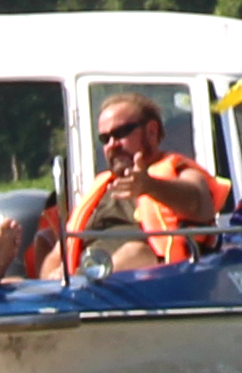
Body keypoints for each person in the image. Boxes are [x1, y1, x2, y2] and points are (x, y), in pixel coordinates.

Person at [55, 92, 226, 276]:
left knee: (135, 253)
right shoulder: (102, 187)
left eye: (121, 133)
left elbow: (198, 203)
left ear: (152, 131)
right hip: (82, 280)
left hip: (150, 283)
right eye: (105, 139)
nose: (112, 144)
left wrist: (150, 186)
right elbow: (63, 249)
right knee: (53, 255)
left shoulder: (179, 172)